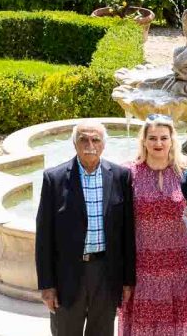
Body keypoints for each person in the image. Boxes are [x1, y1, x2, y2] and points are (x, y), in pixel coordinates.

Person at [35, 120, 136, 336]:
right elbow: (44, 237)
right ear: (74, 144)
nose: (90, 144)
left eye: (95, 139)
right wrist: (47, 285)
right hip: (67, 275)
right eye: (84, 139)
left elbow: (127, 233)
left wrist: (128, 280)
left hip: (106, 273)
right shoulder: (54, 179)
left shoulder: (121, 177)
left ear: (103, 144)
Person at [118, 114, 187, 336]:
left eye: (163, 138)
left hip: (182, 265)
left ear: (172, 140)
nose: (158, 143)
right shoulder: (128, 173)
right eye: (152, 138)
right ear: (144, 141)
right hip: (144, 266)